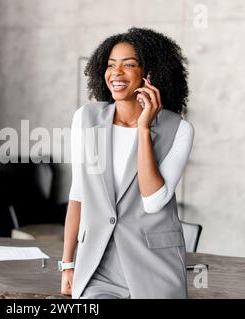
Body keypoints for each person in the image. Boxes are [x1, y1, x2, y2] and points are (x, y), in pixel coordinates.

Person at [59, 27, 195, 299]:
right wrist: (67, 264)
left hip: (155, 267)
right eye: (111, 65)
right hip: (98, 267)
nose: (116, 73)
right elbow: (78, 194)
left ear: (150, 74)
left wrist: (144, 128)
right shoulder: (86, 118)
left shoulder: (178, 129)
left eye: (129, 65)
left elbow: (154, 201)